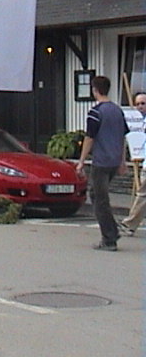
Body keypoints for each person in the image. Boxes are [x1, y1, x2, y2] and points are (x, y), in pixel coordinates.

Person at [76, 76, 128, 251]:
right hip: (114, 160)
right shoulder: (118, 111)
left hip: (101, 161)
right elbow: (122, 137)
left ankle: (109, 237)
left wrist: (81, 161)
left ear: (94, 90)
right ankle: (111, 231)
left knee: (100, 200)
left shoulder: (96, 112)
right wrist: (122, 161)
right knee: (98, 195)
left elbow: (89, 137)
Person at [118, 91, 146, 236]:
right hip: (144, 162)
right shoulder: (134, 123)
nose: (140, 107)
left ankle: (129, 224)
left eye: (143, 103)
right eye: (137, 104)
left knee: (143, 195)